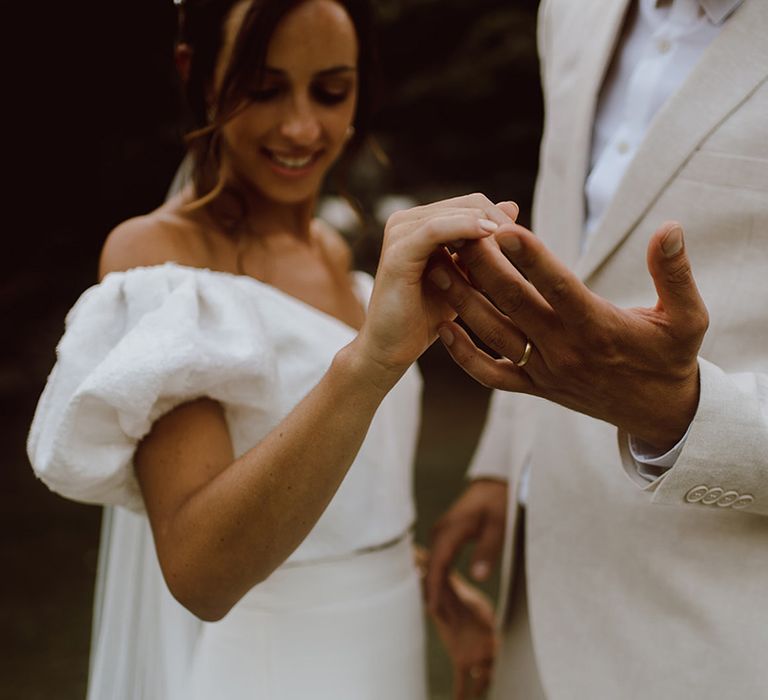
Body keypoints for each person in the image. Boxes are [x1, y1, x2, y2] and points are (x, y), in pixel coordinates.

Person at [27, 1, 505, 698]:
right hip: (271, 665)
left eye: (331, 90)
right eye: (263, 87)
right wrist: (370, 364)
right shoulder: (163, 260)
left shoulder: (335, 254)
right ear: (196, 73)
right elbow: (202, 574)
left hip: (386, 639)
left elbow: (342, 499)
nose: (302, 126)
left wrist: (416, 576)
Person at [425, 0, 768, 698]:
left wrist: (684, 415)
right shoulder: (572, 11)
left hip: (719, 628)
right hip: (536, 597)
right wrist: (503, 464)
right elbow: (573, 247)